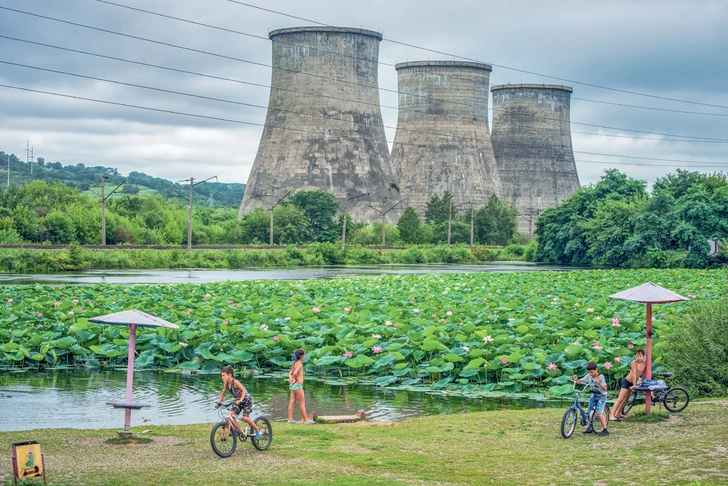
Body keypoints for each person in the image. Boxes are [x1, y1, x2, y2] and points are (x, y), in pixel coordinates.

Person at [215, 365, 261, 440]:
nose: (222, 377)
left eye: (223, 375)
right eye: (221, 375)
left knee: (245, 418)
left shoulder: (235, 382)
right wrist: (218, 403)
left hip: (246, 401)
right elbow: (223, 394)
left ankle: (258, 430)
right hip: (238, 403)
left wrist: (240, 400)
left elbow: (244, 391)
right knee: (230, 414)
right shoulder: (226, 384)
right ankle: (236, 430)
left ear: (229, 375)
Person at [573, 362, 610, 436]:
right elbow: (581, 381)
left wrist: (599, 383)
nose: (590, 374)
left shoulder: (601, 377)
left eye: (592, 372)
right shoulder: (588, 376)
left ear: (596, 370)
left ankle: (605, 429)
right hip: (594, 394)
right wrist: (577, 380)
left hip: (602, 395)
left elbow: (605, 389)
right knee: (589, 412)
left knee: (598, 412)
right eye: (589, 372)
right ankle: (589, 427)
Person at [610, 349, 646, 421]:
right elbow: (634, 374)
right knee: (620, 398)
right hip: (627, 381)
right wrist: (634, 385)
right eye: (637, 356)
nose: (639, 358)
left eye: (640, 356)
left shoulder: (645, 364)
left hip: (633, 383)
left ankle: (618, 413)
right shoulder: (634, 362)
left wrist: (642, 382)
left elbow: (643, 374)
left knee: (626, 399)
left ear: (643, 356)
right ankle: (612, 415)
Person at [288, 348, 313, 424]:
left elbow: (290, 374)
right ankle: (305, 420)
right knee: (302, 402)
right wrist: (295, 380)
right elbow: (295, 373)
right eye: (304, 355)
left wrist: (291, 380)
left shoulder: (294, 363)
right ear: (301, 356)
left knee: (292, 402)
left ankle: (290, 419)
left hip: (292, 386)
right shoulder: (299, 364)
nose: (305, 356)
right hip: (298, 385)